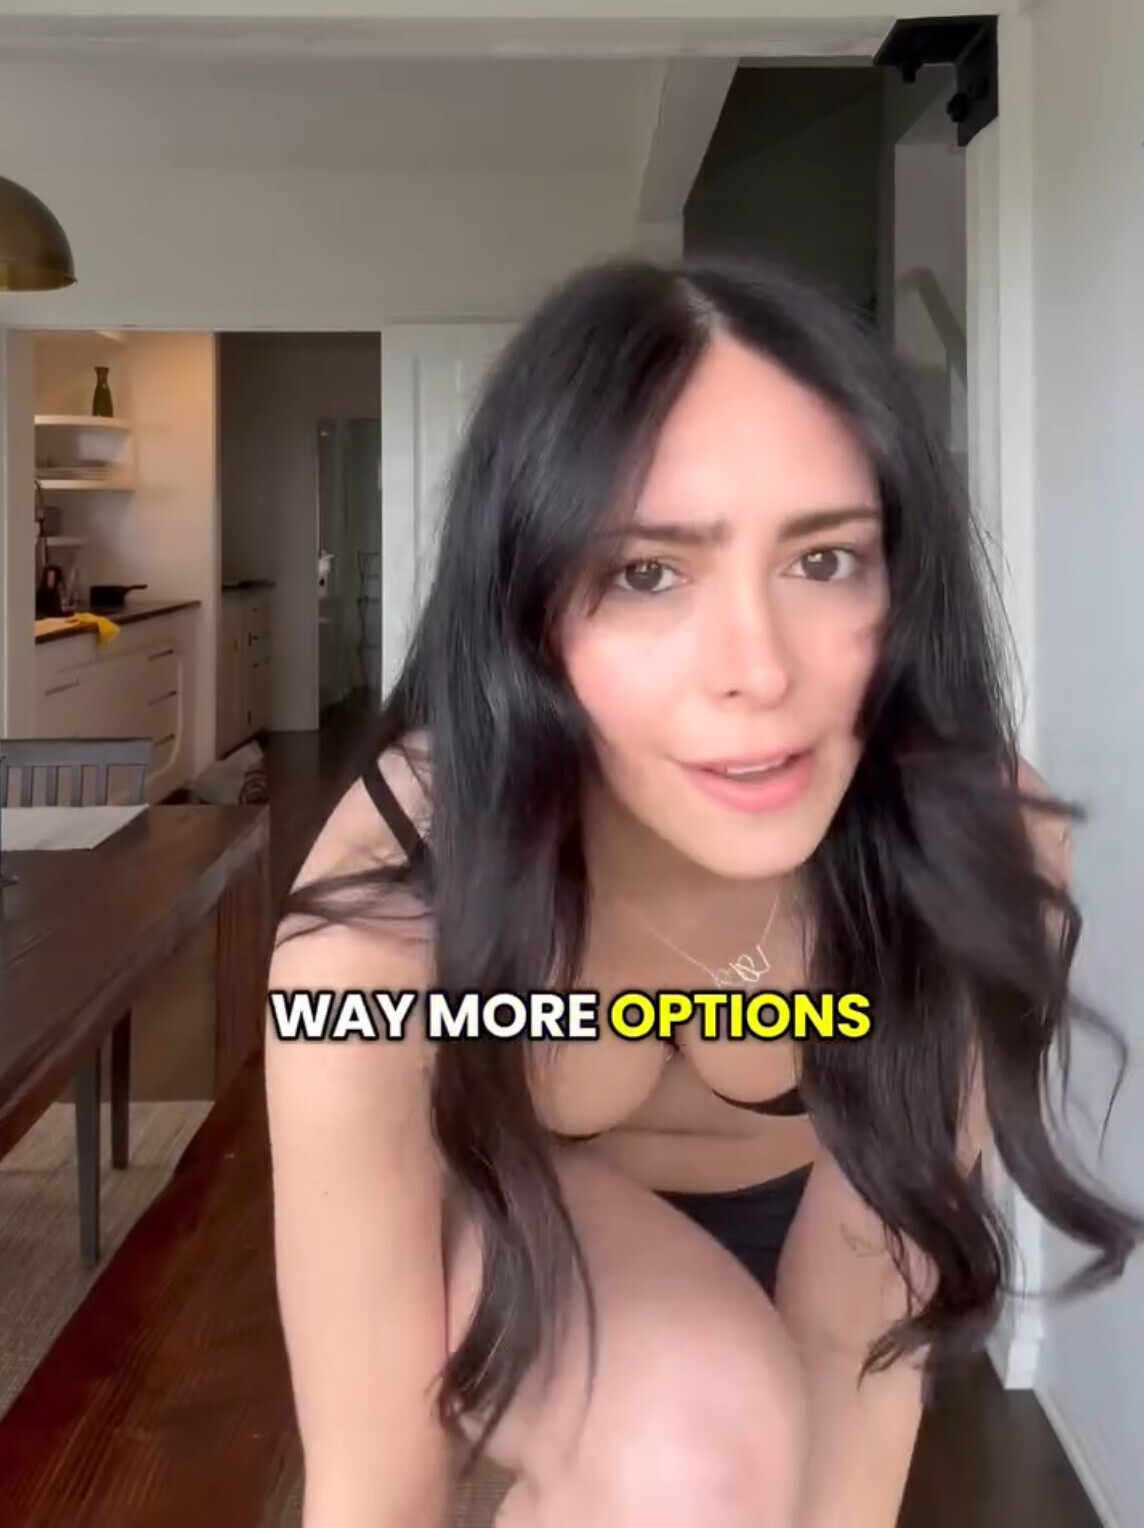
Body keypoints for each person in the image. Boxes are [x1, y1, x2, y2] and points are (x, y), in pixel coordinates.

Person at [266, 256, 1140, 1528]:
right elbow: (372, 1482)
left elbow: (856, 1328)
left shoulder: (968, 845)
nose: (757, 669)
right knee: (698, 1433)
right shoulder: (396, 904)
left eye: (824, 559)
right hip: (502, 1211)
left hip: (810, 1242)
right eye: (647, 572)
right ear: (527, 607)